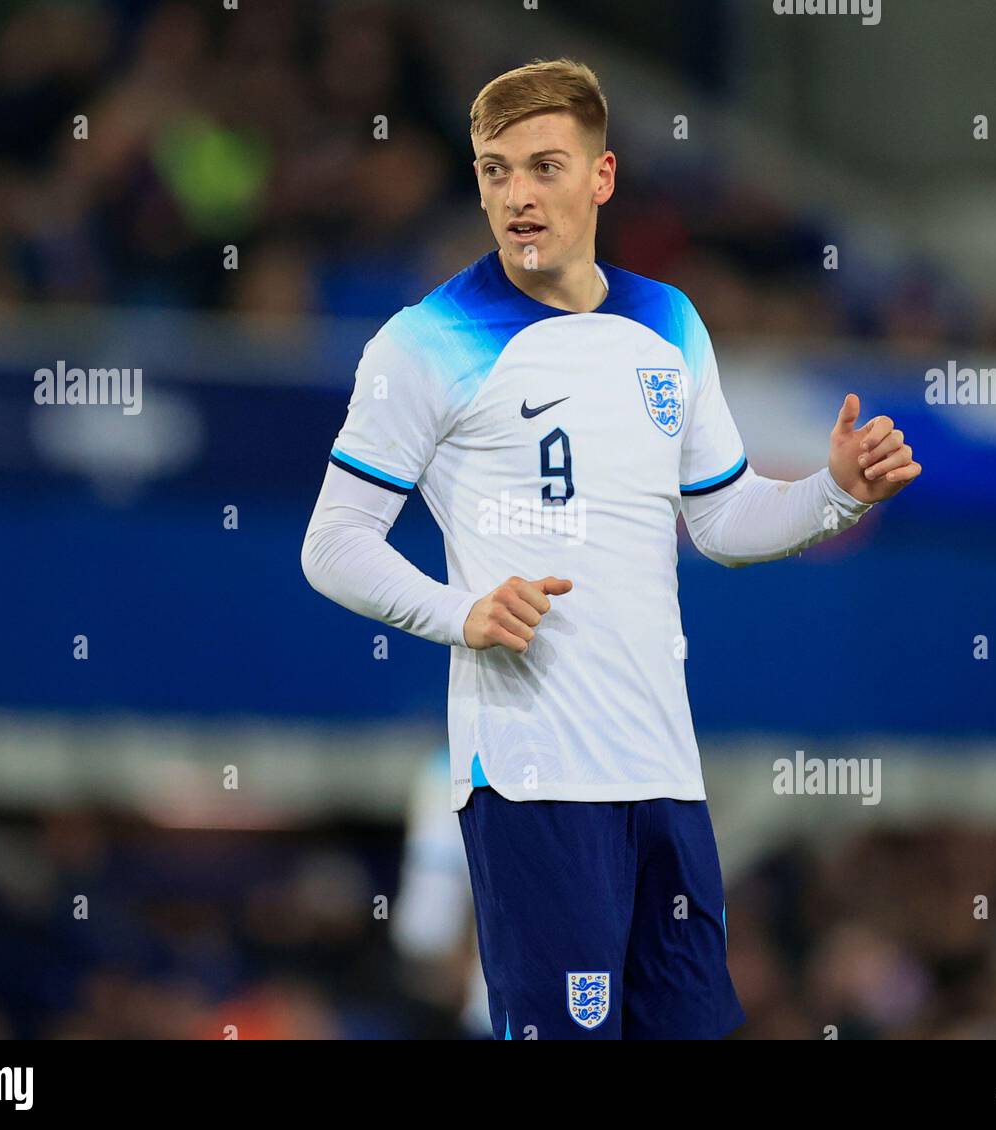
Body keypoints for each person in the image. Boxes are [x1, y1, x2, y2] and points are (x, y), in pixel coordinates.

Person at [301, 58, 921, 1039]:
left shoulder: (668, 323)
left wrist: (833, 492)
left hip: (664, 775)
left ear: (601, 177)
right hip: (531, 779)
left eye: (544, 166)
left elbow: (720, 522)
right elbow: (332, 543)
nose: (516, 193)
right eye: (494, 169)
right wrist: (459, 611)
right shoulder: (422, 344)